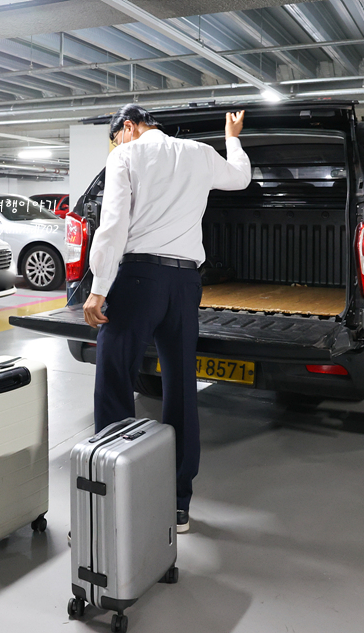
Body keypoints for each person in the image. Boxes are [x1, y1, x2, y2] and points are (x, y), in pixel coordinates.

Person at [83, 103, 251, 533]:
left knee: (114, 375)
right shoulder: (198, 152)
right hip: (185, 285)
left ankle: (118, 485)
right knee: (181, 389)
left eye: (116, 134)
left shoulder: (125, 155)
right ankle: (178, 504)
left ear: (129, 126)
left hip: (139, 279)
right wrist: (231, 136)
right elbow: (241, 178)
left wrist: (99, 287)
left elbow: (113, 223)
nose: (117, 142)